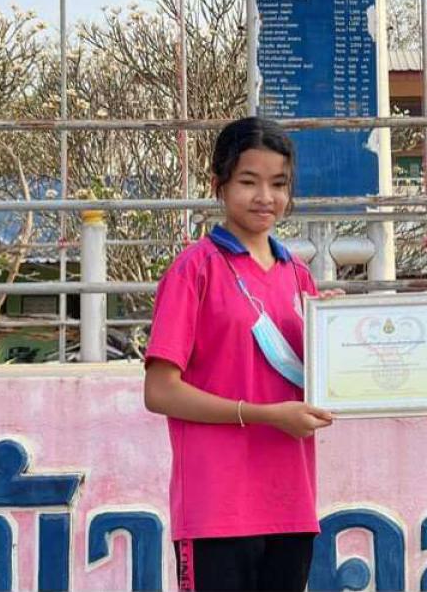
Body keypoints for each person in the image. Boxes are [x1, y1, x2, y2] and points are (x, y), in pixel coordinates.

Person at [143, 116, 335, 592]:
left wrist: (341, 332)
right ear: (219, 185)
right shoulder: (194, 270)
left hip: (291, 503)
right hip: (216, 507)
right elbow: (159, 391)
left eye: (278, 184)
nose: (265, 197)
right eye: (249, 182)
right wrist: (263, 415)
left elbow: (324, 383)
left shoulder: (299, 276)